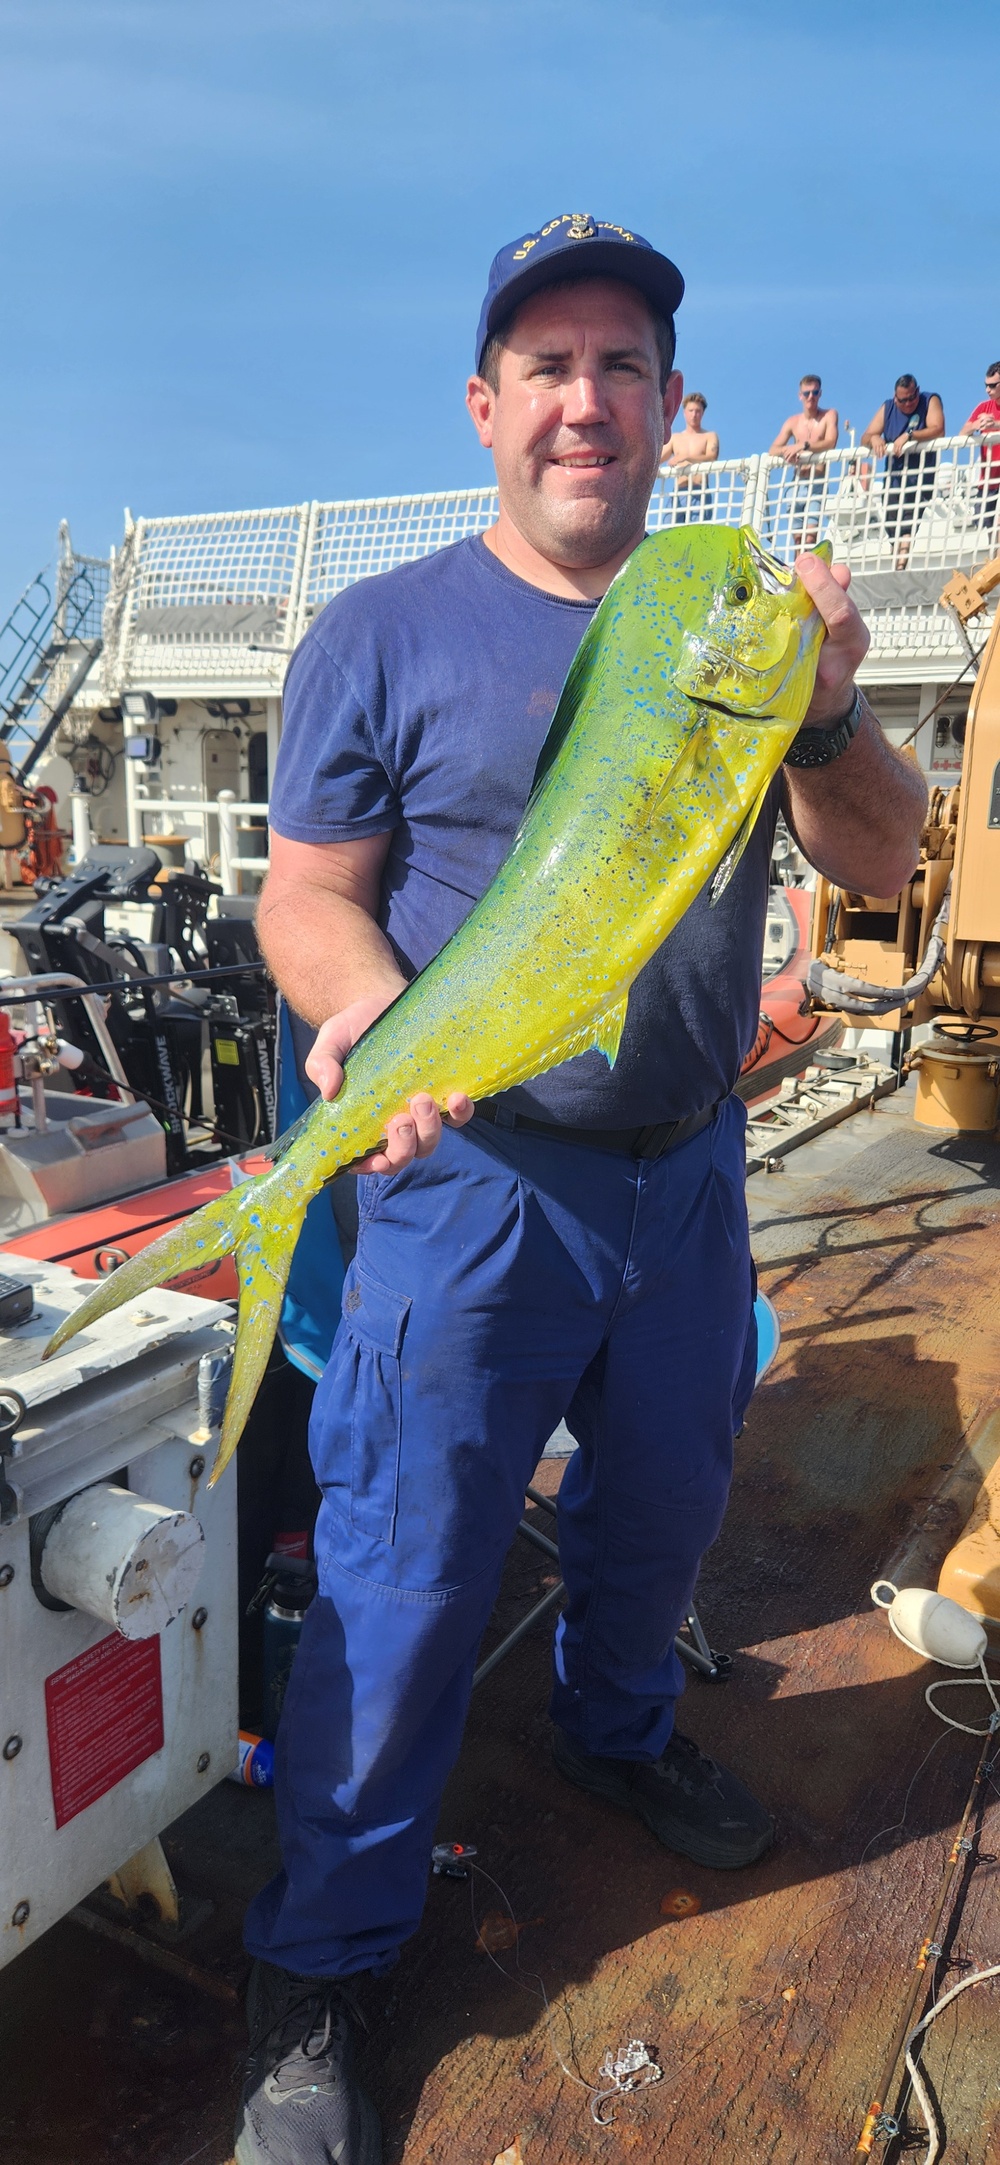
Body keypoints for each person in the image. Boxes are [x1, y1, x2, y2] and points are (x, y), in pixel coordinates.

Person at [239, 211, 928, 2165]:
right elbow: (309, 895)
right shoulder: (380, 631)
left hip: (686, 1172)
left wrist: (822, 706)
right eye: (546, 364)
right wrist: (372, 1019)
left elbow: (882, 860)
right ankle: (322, 1956)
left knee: (660, 1514)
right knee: (399, 1573)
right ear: (485, 403)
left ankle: (618, 1732)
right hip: (475, 1181)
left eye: (621, 364)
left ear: (667, 404)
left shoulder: (738, 617)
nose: (584, 399)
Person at [862, 375, 945, 567]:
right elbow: (865, 436)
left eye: (912, 398)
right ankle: (896, 563)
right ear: (895, 398)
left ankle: (900, 567)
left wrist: (910, 435)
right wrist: (874, 438)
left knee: (908, 522)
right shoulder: (888, 407)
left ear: (918, 391)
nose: (908, 403)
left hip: (920, 478)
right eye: (902, 400)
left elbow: (938, 429)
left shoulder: (929, 400)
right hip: (894, 479)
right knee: (893, 526)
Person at [769, 376, 839, 548]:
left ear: (820, 393)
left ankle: (808, 565)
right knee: (798, 540)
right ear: (800, 395)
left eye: (815, 392)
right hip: (796, 483)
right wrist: (788, 451)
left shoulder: (829, 415)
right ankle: (798, 566)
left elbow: (831, 442)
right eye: (807, 393)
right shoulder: (793, 422)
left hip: (817, 482)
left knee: (810, 538)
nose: (811, 397)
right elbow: (773, 449)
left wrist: (804, 445)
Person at [660, 390, 718, 521]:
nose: (694, 415)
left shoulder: (709, 436)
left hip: (699, 491)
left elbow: (712, 457)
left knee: (697, 531)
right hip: (679, 491)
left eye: (698, 411)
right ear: (684, 412)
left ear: (702, 413)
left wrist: (686, 457)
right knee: (670, 529)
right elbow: (658, 459)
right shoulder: (676, 438)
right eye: (691, 411)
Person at [960, 361, 1000, 538]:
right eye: (986, 385)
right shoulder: (984, 407)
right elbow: (962, 433)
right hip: (988, 482)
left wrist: (995, 424)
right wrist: (976, 425)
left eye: (992, 385)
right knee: (986, 529)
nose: (988, 390)